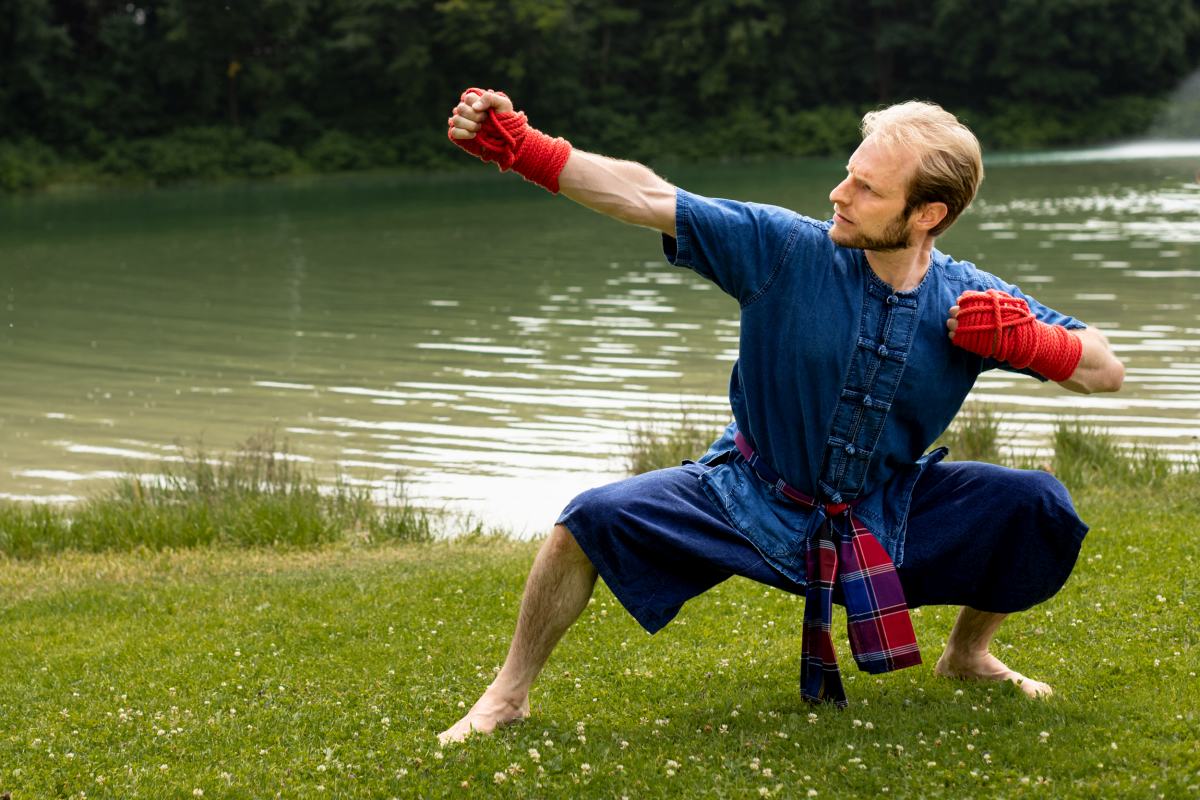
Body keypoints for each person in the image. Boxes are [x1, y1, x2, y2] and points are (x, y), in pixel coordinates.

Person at [437, 88, 1125, 745]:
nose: (839, 194)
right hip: (747, 494)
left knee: (1037, 504)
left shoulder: (971, 301)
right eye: (848, 175)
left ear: (928, 214)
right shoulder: (783, 248)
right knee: (585, 521)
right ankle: (508, 695)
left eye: (867, 189)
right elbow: (646, 196)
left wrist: (1036, 342)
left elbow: (1106, 368)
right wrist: (524, 149)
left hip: (883, 508)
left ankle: (967, 655)